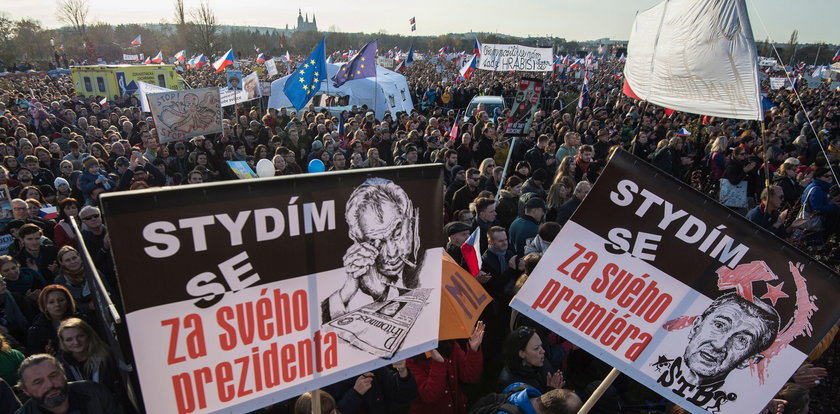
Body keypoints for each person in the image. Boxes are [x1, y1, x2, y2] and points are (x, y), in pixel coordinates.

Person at [321, 178, 421, 323]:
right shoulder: (360, 271)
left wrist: (381, 292)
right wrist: (346, 291)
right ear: (358, 239)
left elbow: (422, 319)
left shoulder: (429, 263)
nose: (392, 253)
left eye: (397, 234)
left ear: (410, 222)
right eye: (375, 242)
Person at [655, 293, 780, 407]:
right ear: (696, 326)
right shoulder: (647, 364)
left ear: (749, 360)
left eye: (741, 340)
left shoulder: (737, 406)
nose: (719, 345)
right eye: (719, 325)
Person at [406, 322, 484, 414]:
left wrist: (474, 350)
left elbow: (470, 376)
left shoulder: (449, 344)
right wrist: (438, 363)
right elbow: (430, 396)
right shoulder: (410, 360)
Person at [15, 353, 124, 413]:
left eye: (53, 375)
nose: (49, 385)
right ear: (25, 390)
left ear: (64, 374)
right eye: (38, 382)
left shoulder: (95, 392)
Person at [56, 318, 123, 400]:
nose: (76, 342)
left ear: (89, 335)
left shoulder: (106, 357)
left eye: (80, 336)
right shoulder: (59, 365)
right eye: (69, 339)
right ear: (63, 343)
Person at [497, 326, 564, 393]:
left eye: (541, 346)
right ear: (522, 353)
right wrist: (552, 392)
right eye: (536, 348)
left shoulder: (541, 361)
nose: (543, 351)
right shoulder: (509, 383)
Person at [27, 285, 78, 355]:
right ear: (45, 306)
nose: (57, 304)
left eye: (61, 300)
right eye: (51, 302)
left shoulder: (81, 320)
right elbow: (35, 356)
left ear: (68, 302)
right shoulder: (36, 330)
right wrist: (47, 356)